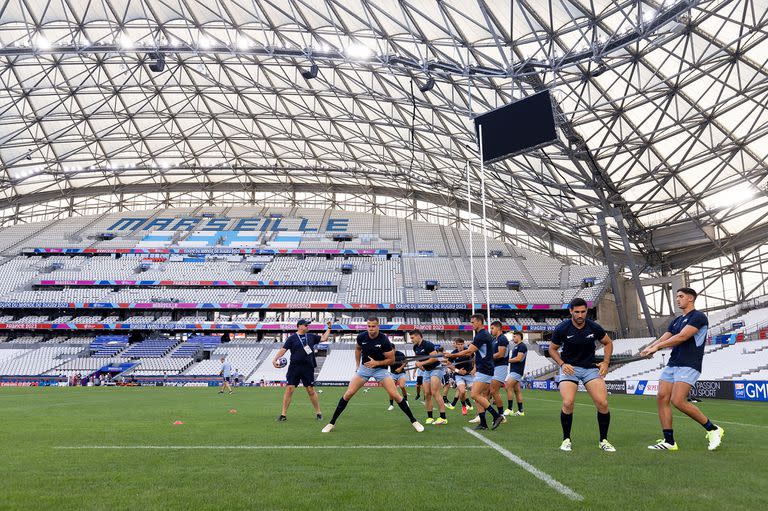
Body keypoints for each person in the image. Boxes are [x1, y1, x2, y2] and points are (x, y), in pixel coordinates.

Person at [640, 288, 724, 451]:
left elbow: (682, 337)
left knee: (677, 400)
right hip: (673, 363)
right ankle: (669, 441)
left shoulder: (698, 317)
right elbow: (666, 336)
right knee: (661, 397)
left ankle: (713, 429)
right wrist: (649, 347)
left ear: (691, 299)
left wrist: (656, 348)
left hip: (689, 363)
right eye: (676, 297)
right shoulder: (677, 320)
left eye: (681, 296)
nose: (677, 299)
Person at [322, 317, 423, 433]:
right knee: (348, 393)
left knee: (394, 394)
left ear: (378, 326)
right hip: (365, 368)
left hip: (381, 369)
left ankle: (414, 421)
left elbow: (391, 360)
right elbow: (358, 349)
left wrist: (377, 363)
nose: (371, 328)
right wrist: (357, 364)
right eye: (369, 326)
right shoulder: (361, 337)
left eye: (373, 326)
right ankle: (331, 423)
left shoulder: (384, 340)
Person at [549, 298, 615, 452]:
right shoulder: (562, 328)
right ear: (571, 311)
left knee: (603, 403)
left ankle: (603, 440)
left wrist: (605, 362)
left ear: (586, 311)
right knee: (568, 402)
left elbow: (608, 343)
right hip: (569, 368)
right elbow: (552, 349)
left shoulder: (594, 327)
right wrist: (562, 364)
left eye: (583, 312)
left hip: (590, 368)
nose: (580, 315)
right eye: (577, 312)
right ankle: (566, 439)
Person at [445, 314, 503, 430]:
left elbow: (469, 352)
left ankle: (496, 415)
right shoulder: (482, 334)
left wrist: (452, 355)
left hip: (485, 369)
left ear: (479, 322)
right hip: (484, 368)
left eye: (473, 322)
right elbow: (476, 352)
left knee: (474, 394)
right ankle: (483, 423)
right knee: (478, 396)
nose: (471, 325)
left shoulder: (481, 335)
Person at [272, 319, 332, 421]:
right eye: (306, 325)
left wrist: (329, 328)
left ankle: (318, 413)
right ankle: (283, 415)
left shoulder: (311, 336)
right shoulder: (292, 338)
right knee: (289, 389)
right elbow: (283, 349)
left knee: (310, 390)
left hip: (308, 367)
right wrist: (275, 359)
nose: (308, 327)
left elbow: (324, 338)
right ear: (299, 326)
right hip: (294, 367)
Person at [412, 330, 447, 425]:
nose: (411, 340)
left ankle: (443, 417)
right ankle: (430, 417)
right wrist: (418, 364)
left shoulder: (428, 344)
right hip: (427, 371)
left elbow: (435, 358)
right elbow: (418, 359)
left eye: (412, 337)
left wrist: (421, 363)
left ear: (418, 336)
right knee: (427, 393)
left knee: (435, 392)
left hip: (436, 368)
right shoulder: (415, 347)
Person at [448, 338, 474, 415]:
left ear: (464, 344)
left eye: (461, 344)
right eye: (458, 344)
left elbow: (475, 360)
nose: (460, 346)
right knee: (462, 391)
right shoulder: (453, 353)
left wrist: (474, 369)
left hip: (469, 375)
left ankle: (480, 412)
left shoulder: (468, 351)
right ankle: (464, 406)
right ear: (456, 345)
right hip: (459, 376)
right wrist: (457, 371)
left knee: (475, 394)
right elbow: (448, 363)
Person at [489, 321, 509, 420]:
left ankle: (501, 415)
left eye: (492, 328)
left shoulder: (502, 338)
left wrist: (488, 357)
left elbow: (501, 354)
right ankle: (481, 414)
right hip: (494, 367)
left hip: (501, 367)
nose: (491, 330)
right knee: (488, 391)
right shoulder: (494, 340)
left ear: (498, 328)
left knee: (493, 391)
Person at [504, 331, 527, 416]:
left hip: (517, 370)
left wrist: (506, 360)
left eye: (514, 337)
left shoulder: (522, 346)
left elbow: (518, 358)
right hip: (514, 370)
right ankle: (521, 411)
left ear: (519, 336)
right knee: (517, 391)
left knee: (508, 386)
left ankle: (510, 409)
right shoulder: (517, 346)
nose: (513, 338)